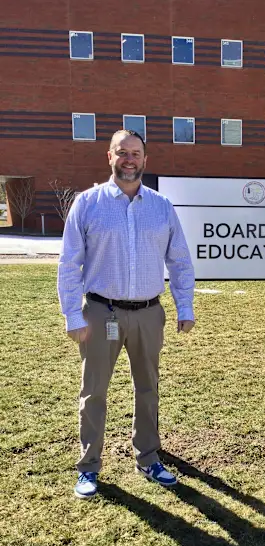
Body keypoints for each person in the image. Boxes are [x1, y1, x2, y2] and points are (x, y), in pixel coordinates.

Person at [58, 129, 195, 500]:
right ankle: (89, 467)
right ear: (109, 157)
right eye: (122, 153)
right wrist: (73, 315)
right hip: (102, 313)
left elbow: (180, 260)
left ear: (145, 160)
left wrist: (185, 305)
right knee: (94, 391)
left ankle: (148, 458)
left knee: (148, 389)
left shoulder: (161, 206)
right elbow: (69, 264)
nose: (129, 159)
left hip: (149, 314)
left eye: (135, 153)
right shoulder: (88, 203)